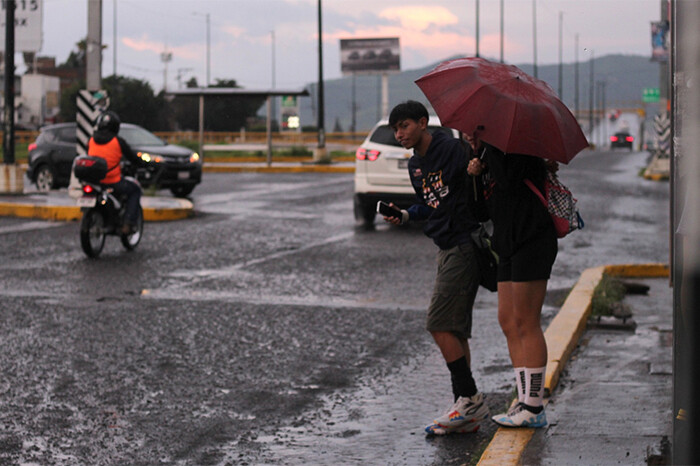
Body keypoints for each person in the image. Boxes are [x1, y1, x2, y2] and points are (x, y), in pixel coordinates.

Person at [382, 101, 489, 435]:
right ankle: (464, 407)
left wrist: (476, 170)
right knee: (453, 330)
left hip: (463, 243)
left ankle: (470, 398)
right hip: (445, 247)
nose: (400, 134)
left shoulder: (450, 149)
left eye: (405, 126)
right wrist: (405, 215)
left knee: (439, 324)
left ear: (423, 123)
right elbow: (431, 204)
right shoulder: (416, 164)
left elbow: (476, 188)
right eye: (396, 129)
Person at [466, 131, 558, 428]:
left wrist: (488, 152)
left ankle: (534, 406)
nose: (468, 134)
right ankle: (523, 399)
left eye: (474, 129)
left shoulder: (518, 146)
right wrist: (475, 172)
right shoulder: (485, 154)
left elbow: (508, 181)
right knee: (507, 320)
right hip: (505, 242)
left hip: (532, 238)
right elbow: (481, 211)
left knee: (526, 320)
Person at [88, 111, 143, 235]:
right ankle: (128, 224)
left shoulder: (91, 140)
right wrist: (145, 164)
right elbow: (133, 158)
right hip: (112, 181)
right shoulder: (118, 141)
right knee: (135, 190)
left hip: (95, 181)